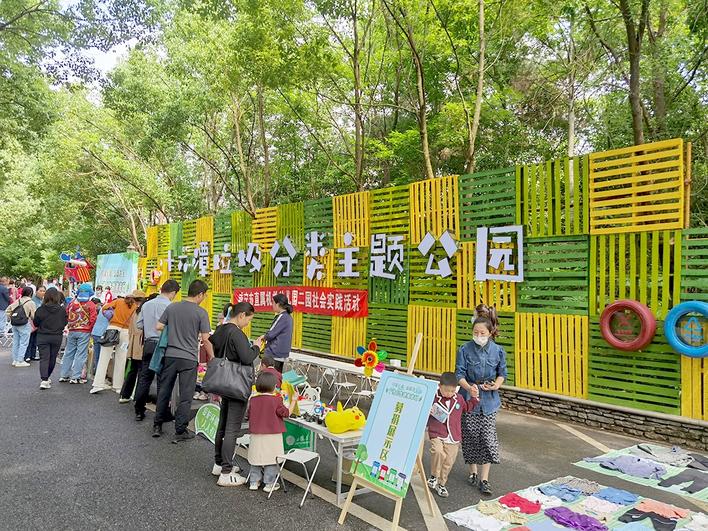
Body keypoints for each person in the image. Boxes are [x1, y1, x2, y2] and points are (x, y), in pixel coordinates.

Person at [209, 302, 262, 487]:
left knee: (223, 425)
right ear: (241, 315)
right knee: (232, 429)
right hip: (237, 385)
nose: (248, 323)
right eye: (249, 319)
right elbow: (247, 357)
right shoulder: (236, 333)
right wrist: (256, 347)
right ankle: (226, 472)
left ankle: (219, 463)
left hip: (224, 382)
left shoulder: (221, 329)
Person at [153, 280, 213, 442]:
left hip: (170, 355)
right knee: (186, 395)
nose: (204, 298)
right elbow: (206, 339)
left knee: (164, 390)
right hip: (189, 358)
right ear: (200, 294)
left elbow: (158, 326)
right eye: (204, 295)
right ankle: (180, 430)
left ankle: (157, 425)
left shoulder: (172, 307)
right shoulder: (201, 313)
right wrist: (212, 357)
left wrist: (173, 329)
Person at [455, 317, 507, 496]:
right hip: (469, 398)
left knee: (487, 438)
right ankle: (473, 472)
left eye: (482, 333)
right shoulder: (464, 349)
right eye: (475, 332)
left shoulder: (498, 351)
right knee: (470, 436)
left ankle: (484, 479)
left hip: (490, 401)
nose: (479, 336)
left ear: (490, 333)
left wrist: (496, 385)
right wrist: (469, 387)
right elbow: (459, 373)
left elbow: (502, 373)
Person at [427, 372, 480, 498]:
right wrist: (427, 411)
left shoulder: (459, 398)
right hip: (437, 432)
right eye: (446, 390)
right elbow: (424, 411)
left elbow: (467, 408)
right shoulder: (433, 398)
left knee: (448, 461)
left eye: (452, 391)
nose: (449, 393)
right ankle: (434, 476)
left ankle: (441, 484)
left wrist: (474, 398)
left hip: (453, 436)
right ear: (440, 386)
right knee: (438, 451)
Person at [133, 280, 180, 421]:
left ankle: (139, 410)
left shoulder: (146, 304)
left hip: (148, 344)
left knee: (144, 377)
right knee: (162, 380)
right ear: (173, 292)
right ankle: (161, 413)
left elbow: (139, 325)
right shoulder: (171, 307)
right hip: (163, 345)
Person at [90, 290, 146, 395]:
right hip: (126, 333)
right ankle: (118, 386)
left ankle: (98, 384)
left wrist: (111, 315)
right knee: (121, 359)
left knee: (104, 357)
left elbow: (104, 308)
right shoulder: (137, 308)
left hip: (112, 329)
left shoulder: (119, 301)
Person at [247, 371, 295, 493]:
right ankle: (269, 483)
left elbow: (248, 415)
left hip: (256, 433)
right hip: (273, 434)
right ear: (274, 387)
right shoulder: (276, 400)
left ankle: (254, 481)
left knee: (256, 457)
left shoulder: (253, 400)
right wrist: (294, 400)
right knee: (272, 459)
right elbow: (286, 413)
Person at [119, 294, 155, 403]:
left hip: (134, 343)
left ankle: (125, 395)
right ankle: (139, 397)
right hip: (142, 344)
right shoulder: (146, 312)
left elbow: (131, 329)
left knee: (132, 370)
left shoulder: (136, 311)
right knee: (143, 373)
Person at [59, 283, 97, 384]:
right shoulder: (91, 305)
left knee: (69, 353)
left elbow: (67, 314)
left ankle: (64, 375)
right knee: (81, 354)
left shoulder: (72, 303)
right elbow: (93, 319)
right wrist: (90, 328)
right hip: (84, 331)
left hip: (72, 330)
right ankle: (75, 376)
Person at [34, 288, 69, 389]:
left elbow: (36, 323)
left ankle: (44, 379)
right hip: (56, 336)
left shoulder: (40, 309)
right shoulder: (62, 310)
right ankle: (47, 377)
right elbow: (65, 322)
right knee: (52, 358)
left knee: (44, 358)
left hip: (42, 336)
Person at [257, 294, 293, 372]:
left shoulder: (282, 317)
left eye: (273, 303)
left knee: (267, 375)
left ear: (278, 304)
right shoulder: (288, 317)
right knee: (276, 375)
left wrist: (263, 337)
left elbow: (270, 334)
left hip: (274, 352)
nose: (272, 305)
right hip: (282, 353)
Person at [6, 287, 37, 367]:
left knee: (16, 342)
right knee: (24, 343)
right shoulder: (31, 302)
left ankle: (15, 360)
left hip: (14, 324)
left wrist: (11, 317)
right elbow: (34, 316)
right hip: (24, 323)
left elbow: (8, 310)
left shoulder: (18, 301)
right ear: (31, 293)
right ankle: (20, 360)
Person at [24, 286, 46, 363]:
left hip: (39, 323)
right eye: (40, 290)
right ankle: (27, 356)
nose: (42, 292)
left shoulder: (44, 300)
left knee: (35, 340)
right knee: (29, 339)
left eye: (44, 291)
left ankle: (32, 355)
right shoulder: (32, 299)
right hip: (31, 322)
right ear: (36, 291)